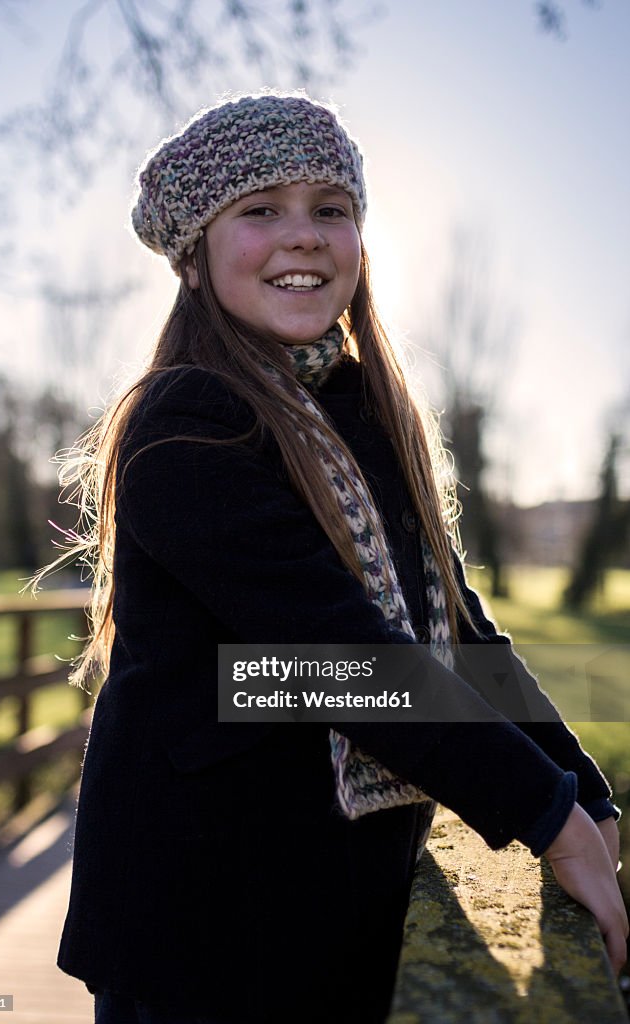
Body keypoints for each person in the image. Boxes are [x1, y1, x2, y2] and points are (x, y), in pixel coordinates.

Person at [52, 92, 627, 1024]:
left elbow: (459, 623)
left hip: (343, 902)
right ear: (194, 258)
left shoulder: (364, 416)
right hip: (208, 928)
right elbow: (333, 661)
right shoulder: (187, 426)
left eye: (331, 208)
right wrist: (540, 814)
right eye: (260, 210)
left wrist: (579, 789)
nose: (305, 236)